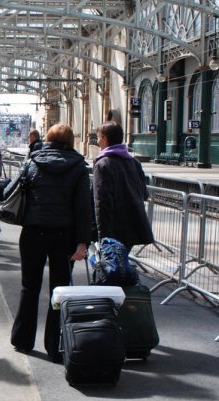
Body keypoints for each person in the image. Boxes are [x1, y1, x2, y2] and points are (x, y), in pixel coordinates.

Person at [9, 123, 91, 363]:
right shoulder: (78, 167)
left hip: (33, 232)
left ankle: (22, 340)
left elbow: (11, 190)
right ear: (70, 141)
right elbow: (83, 208)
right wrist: (83, 242)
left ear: (48, 139)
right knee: (60, 289)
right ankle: (55, 346)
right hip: (65, 235)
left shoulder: (32, 162)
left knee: (29, 286)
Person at [93, 122, 154, 251]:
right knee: (120, 260)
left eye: (98, 137)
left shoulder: (103, 164)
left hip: (113, 228)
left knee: (109, 262)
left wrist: (102, 235)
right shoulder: (134, 162)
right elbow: (144, 193)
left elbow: (102, 201)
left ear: (105, 138)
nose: (97, 142)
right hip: (133, 223)